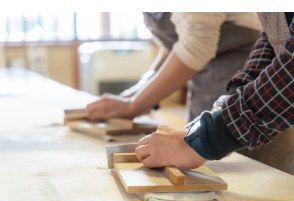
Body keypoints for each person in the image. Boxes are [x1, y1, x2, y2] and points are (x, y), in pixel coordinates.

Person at [135, 12, 294, 169]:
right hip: (247, 100)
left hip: (271, 111)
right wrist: (228, 101)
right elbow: (271, 38)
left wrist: (207, 138)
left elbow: (289, 74)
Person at [86, 13, 261, 122]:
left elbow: (196, 44)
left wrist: (134, 106)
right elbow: (176, 43)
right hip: (206, 71)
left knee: (230, 158)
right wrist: (139, 92)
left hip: (242, 64)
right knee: (199, 151)